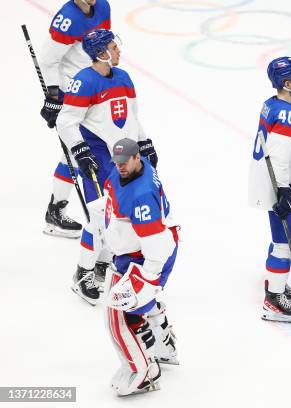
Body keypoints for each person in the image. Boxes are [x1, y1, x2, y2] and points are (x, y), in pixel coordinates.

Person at [56, 28, 159, 304]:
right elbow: (65, 121)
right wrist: (80, 150)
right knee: (99, 219)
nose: (118, 50)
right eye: (113, 47)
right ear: (101, 53)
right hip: (97, 159)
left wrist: (144, 142)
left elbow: (132, 118)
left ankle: (103, 264)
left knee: (118, 218)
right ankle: (83, 274)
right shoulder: (84, 81)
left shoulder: (124, 78)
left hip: (121, 159)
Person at [103, 138, 178, 396]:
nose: (120, 167)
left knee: (119, 313)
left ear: (137, 158)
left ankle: (146, 372)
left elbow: (156, 244)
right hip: (132, 249)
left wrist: (148, 279)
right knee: (136, 305)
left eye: (125, 162)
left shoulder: (142, 196)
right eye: (118, 162)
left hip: (145, 255)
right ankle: (163, 344)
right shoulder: (136, 166)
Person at [40, 0, 111, 239]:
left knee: (76, 149)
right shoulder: (67, 18)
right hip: (75, 89)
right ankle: (56, 210)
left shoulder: (103, 6)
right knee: (75, 149)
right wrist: (53, 96)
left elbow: (105, 45)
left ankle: (56, 210)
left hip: (96, 85)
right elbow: (48, 60)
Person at [248, 56, 291, 323]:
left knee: (279, 240)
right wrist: (285, 191)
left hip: (271, 181)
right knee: (284, 243)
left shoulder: (270, 104)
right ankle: (274, 299)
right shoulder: (288, 114)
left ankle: (276, 284)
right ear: (287, 82)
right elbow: (280, 157)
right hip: (282, 185)